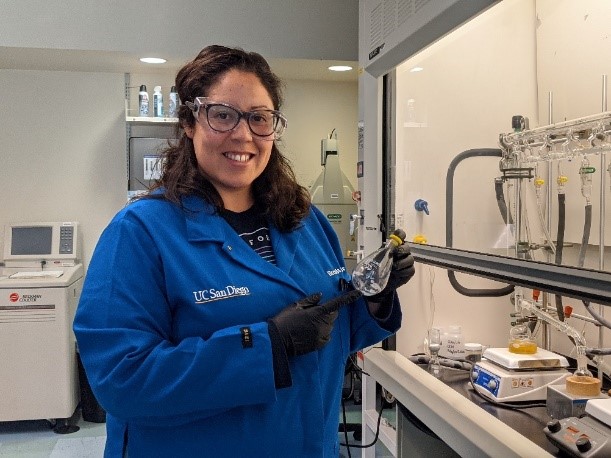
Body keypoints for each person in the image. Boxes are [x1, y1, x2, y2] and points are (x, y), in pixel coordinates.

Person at [73, 45, 415, 457]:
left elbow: (330, 331)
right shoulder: (140, 233)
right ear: (188, 121)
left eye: (259, 118)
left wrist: (374, 299)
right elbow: (121, 378)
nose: (243, 135)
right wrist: (266, 346)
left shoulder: (306, 221)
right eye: (222, 114)